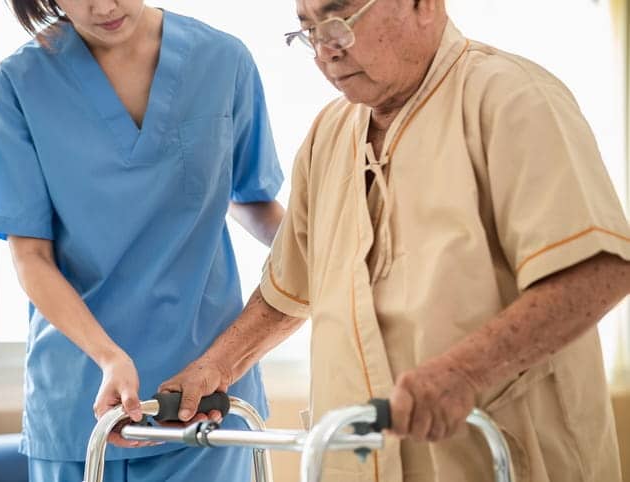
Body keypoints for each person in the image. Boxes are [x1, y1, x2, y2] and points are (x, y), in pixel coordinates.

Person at [158, 0, 630, 480]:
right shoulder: (329, 134)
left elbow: (596, 271)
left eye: (339, 22)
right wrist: (215, 368)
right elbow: (289, 288)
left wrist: (466, 372)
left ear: (424, 6)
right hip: (358, 460)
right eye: (308, 32)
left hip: (498, 458)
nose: (325, 52)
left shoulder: (511, 98)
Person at [0, 1, 285, 481]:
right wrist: (108, 356)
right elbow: (31, 256)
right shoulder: (19, 84)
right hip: (83, 398)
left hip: (207, 395)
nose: (104, 5)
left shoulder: (222, 60)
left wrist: (333, 250)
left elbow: (249, 197)